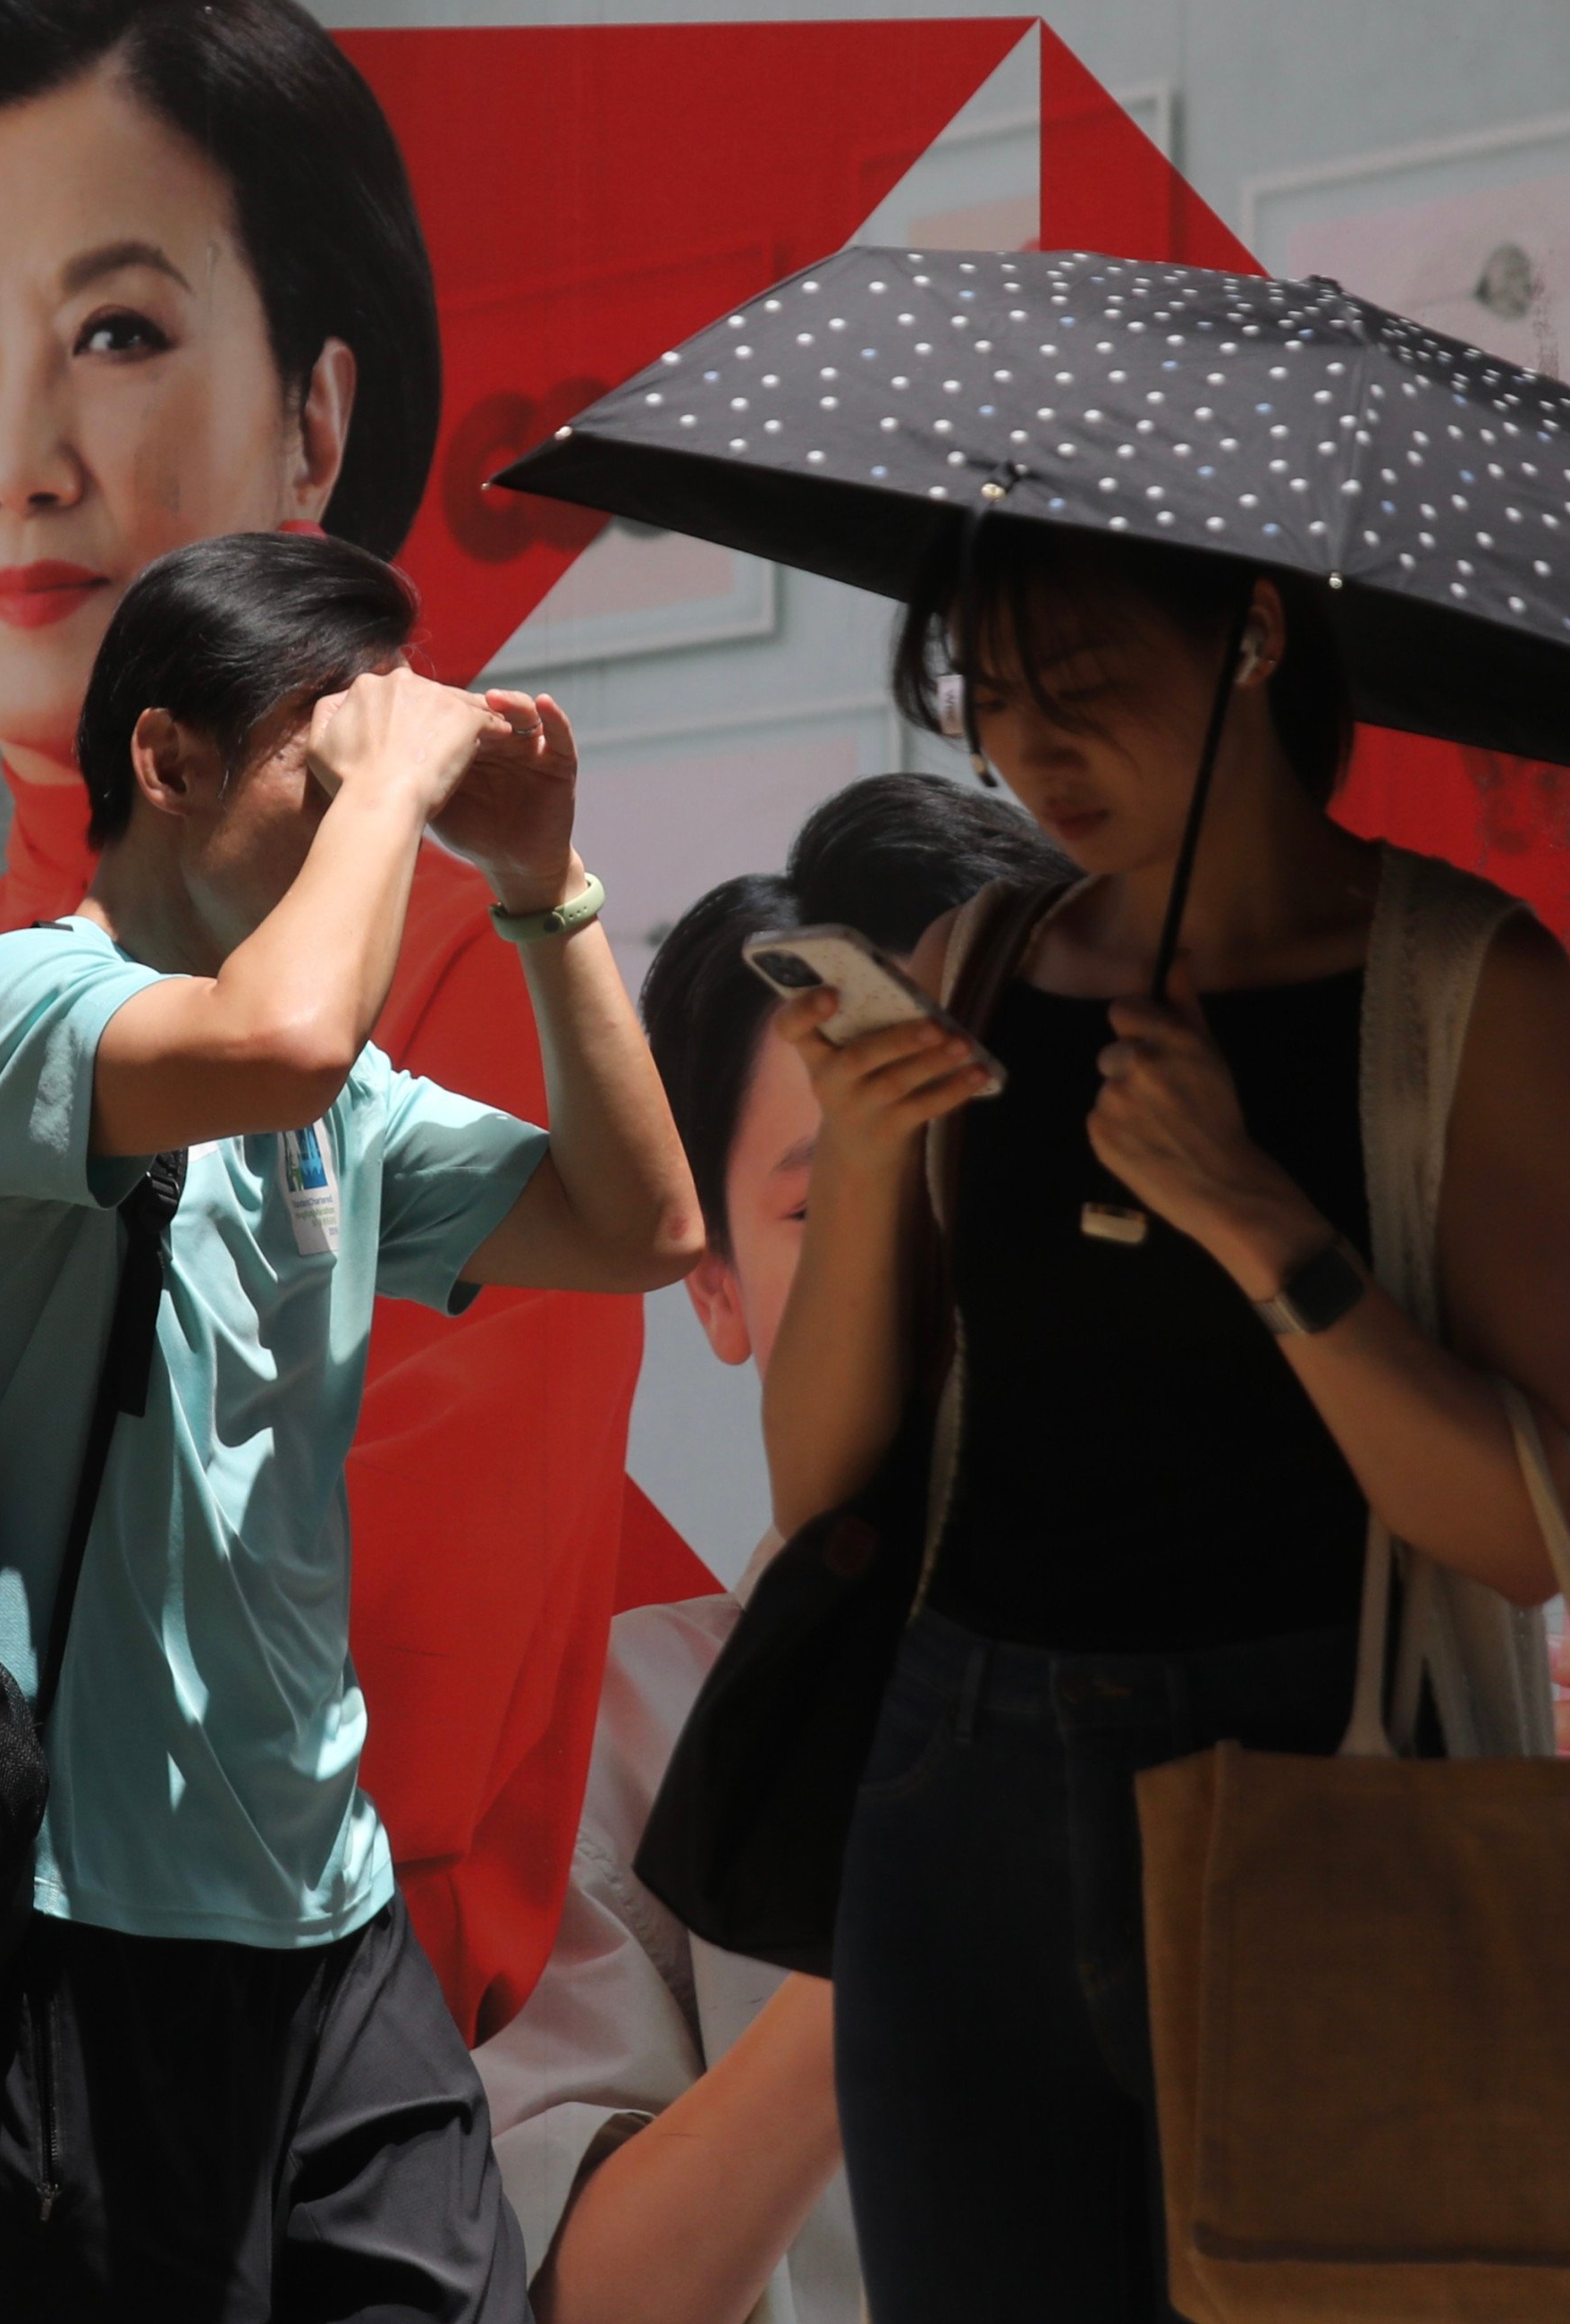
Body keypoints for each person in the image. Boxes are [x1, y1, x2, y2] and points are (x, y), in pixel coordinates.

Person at [0, 0, 640, 2053]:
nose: (19, 458)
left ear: (315, 418)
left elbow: (344, 1736)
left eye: (118, 332)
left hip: (244, 2143)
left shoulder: (478, 996)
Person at [767, 519, 1570, 2315]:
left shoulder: (1466, 987)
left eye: (1078, 691)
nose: (1028, 755)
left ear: (1249, 636)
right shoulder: (977, 962)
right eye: (987, 701)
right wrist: (855, 1163)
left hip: (1329, 1778)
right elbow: (821, 1476)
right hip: (958, 1786)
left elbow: (1529, 1527)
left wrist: (1254, 1219)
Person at [0, 529, 701, 2320]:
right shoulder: (15, 1010)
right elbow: (281, 1036)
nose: (373, 824)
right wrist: (396, 766)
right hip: (85, 1923)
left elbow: (640, 1228)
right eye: (319, 773)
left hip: (325, 1918)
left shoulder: (331, 1094)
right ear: (163, 761)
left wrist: (546, 886)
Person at [476, 773, 1070, 2324]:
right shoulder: (613, 1736)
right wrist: (895, 1913)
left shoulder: (1287, 1678)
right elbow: (577, 2297)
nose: (940, 1266)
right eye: (845, 1197)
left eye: (996, 1181)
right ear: (718, 1290)